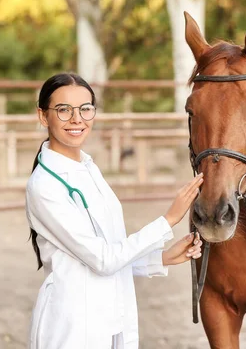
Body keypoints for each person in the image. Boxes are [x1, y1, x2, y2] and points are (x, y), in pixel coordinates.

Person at [25, 72, 204, 349]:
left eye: (85, 109)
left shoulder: (87, 167)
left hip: (110, 319)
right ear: (43, 116)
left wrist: (162, 259)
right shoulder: (45, 186)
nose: (77, 119)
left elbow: (108, 255)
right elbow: (103, 260)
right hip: (73, 327)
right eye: (63, 110)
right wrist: (168, 220)